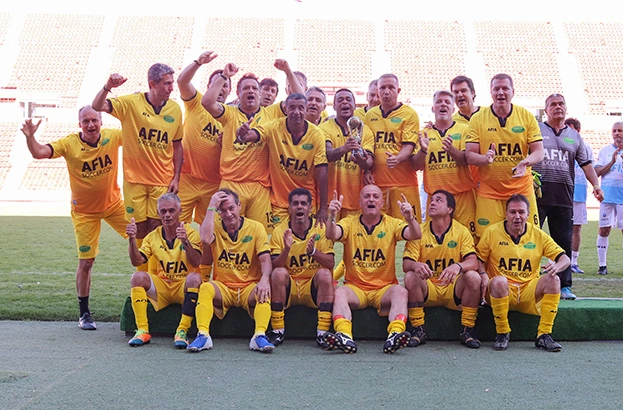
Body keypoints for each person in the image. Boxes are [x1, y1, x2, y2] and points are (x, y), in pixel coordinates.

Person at [21, 107, 127, 331]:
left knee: (146, 240)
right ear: (79, 124)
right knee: (86, 262)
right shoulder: (70, 143)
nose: (91, 125)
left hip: (114, 206)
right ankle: (84, 314)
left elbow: (138, 136)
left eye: (94, 120)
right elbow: (39, 152)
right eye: (86, 121)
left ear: (101, 121)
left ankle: (151, 296)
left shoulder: (113, 136)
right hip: (85, 213)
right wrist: (31, 136)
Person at [92, 63, 184, 272]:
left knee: (159, 228)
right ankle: (142, 278)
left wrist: (176, 177)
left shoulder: (175, 110)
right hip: (134, 181)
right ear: (152, 84)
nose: (171, 88)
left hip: (162, 181)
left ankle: (156, 275)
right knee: (138, 230)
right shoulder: (131, 103)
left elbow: (178, 145)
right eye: (167, 84)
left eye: (172, 83)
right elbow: (97, 105)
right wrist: (108, 86)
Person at [201, 60, 304, 231]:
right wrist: (224, 76)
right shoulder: (230, 113)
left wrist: (288, 71)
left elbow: (301, 99)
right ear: (238, 93)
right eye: (246, 88)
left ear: (259, 93)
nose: (251, 91)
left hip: (259, 187)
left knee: (260, 235)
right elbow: (207, 102)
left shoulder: (271, 113)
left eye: (254, 88)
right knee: (226, 234)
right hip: (231, 184)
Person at [321, 185, 422, 354]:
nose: (371, 200)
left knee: (401, 292)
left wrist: (410, 218)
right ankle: (344, 335)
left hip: (383, 288)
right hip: (356, 287)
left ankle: (395, 335)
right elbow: (331, 234)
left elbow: (415, 234)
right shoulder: (349, 222)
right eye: (367, 196)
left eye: (375, 196)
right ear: (360, 202)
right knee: (340, 293)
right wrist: (331, 216)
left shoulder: (391, 223)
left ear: (382, 202)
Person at [532, 94, 603, 300]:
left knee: (563, 243)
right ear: (546, 110)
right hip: (538, 197)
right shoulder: (536, 130)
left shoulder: (574, 136)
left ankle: (564, 286)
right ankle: (530, 282)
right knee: (532, 242)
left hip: (563, 198)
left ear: (566, 108)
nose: (557, 107)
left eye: (561, 104)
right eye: (552, 105)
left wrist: (596, 185)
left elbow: (586, 164)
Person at [478, 194, 569, 352]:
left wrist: (557, 267)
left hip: (528, 290)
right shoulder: (492, 232)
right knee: (499, 280)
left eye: (521, 212)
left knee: (553, 280)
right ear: (506, 214)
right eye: (512, 212)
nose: (517, 216)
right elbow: (478, 259)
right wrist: (482, 274)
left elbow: (565, 258)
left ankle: (544, 335)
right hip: (501, 290)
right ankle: (502, 332)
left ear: (528, 214)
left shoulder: (538, 234)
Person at [187, 189, 274, 353]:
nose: (228, 214)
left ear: (239, 206)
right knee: (206, 288)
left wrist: (264, 279)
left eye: (231, 208)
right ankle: (203, 335)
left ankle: (259, 336)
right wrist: (211, 206)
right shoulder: (216, 226)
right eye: (222, 210)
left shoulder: (256, 228)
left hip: (249, 286)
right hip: (224, 287)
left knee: (264, 290)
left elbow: (265, 260)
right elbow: (205, 239)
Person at [465, 73, 544, 239]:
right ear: (491, 93)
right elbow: (469, 155)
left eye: (505, 88)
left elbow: (539, 152)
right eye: (496, 89)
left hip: (521, 188)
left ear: (512, 92)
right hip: (489, 191)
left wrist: (525, 162)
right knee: (486, 240)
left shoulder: (526, 116)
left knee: (529, 237)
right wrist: (484, 159)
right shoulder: (478, 119)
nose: (501, 92)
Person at [403, 190, 483, 348]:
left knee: (473, 277)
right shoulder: (419, 231)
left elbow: (473, 262)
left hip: (453, 289)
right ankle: (418, 329)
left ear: (450, 209)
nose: (432, 203)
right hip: (429, 288)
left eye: (438, 200)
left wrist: (458, 266)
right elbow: (406, 264)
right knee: (411, 276)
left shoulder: (461, 231)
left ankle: (468, 330)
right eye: (431, 200)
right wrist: (415, 264)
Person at [237, 93, 329, 227]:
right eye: (292, 108)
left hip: (307, 201)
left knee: (307, 243)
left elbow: (322, 172)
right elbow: (254, 134)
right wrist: (242, 135)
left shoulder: (317, 134)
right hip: (281, 201)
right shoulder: (274, 127)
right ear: (285, 109)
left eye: (300, 108)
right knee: (279, 242)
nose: (296, 112)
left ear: (306, 109)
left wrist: (323, 208)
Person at [126, 193, 202, 348]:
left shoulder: (191, 233)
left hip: (183, 286)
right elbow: (137, 260)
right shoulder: (152, 236)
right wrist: (132, 240)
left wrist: (185, 242)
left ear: (180, 211)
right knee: (137, 277)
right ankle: (142, 330)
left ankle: (182, 330)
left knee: (195, 278)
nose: (167, 215)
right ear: (158, 213)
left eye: (172, 211)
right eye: (163, 211)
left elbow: (196, 262)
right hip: (163, 286)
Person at [266, 188, 335, 348]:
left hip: (312, 288)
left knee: (325, 274)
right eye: (295, 204)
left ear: (310, 208)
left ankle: (322, 333)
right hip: (289, 289)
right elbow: (274, 266)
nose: (299, 207)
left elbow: (330, 263)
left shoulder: (321, 229)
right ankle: (278, 331)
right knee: (278, 273)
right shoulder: (280, 231)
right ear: (289, 208)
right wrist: (286, 249)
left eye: (303, 203)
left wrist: (313, 252)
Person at [410, 90, 476, 234]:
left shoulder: (465, 129)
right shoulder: (423, 134)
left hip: (462, 196)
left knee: (468, 241)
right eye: (439, 102)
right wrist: (423, 150)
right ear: (433, 108)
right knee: (435, 241)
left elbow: (467, 160)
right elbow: (415, 166)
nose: (443, 105)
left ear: (453, 109)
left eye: (447, 102)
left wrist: (452, 150)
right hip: (435, 197)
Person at [365, 73, 422, 221]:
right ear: (378, 91)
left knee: (409, 229)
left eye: (391, 87)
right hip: (377, 185)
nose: (386, 91)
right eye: (382, 88)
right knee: (380, 232)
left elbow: (409, 146)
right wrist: (366, 170)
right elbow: (368, 146)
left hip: (404, 183)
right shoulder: (370, 115)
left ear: (398, 91)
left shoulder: (409, 114)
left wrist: (397, 158)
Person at [321, 88, 374, 219]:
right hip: (329, 200)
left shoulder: (365, 130)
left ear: (355, 106)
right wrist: (345, 148)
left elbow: (369, 162)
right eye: (340, 100)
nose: (344, 103)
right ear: (333, 106)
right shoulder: (324, 128)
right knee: (328, 238)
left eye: (348, 100)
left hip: (354, 200)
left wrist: (362, 162)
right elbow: (327, 154)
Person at [594, 122, 623, 275]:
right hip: (607, 197)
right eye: (614, 131)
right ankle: (602, 265)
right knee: (604, 230)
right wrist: (612, 161)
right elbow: (597, 172)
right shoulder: (605, 151)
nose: (617, 133)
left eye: (620, 130)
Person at [565, 117, 590, 274]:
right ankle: (556, 260)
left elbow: (589, 168)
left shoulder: (585, 147)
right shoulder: (560, 143)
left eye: (570, 129)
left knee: (576, 227)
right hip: (563, 190)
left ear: (578, 131)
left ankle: (574, 261)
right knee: (559, 226)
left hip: (579, 191)